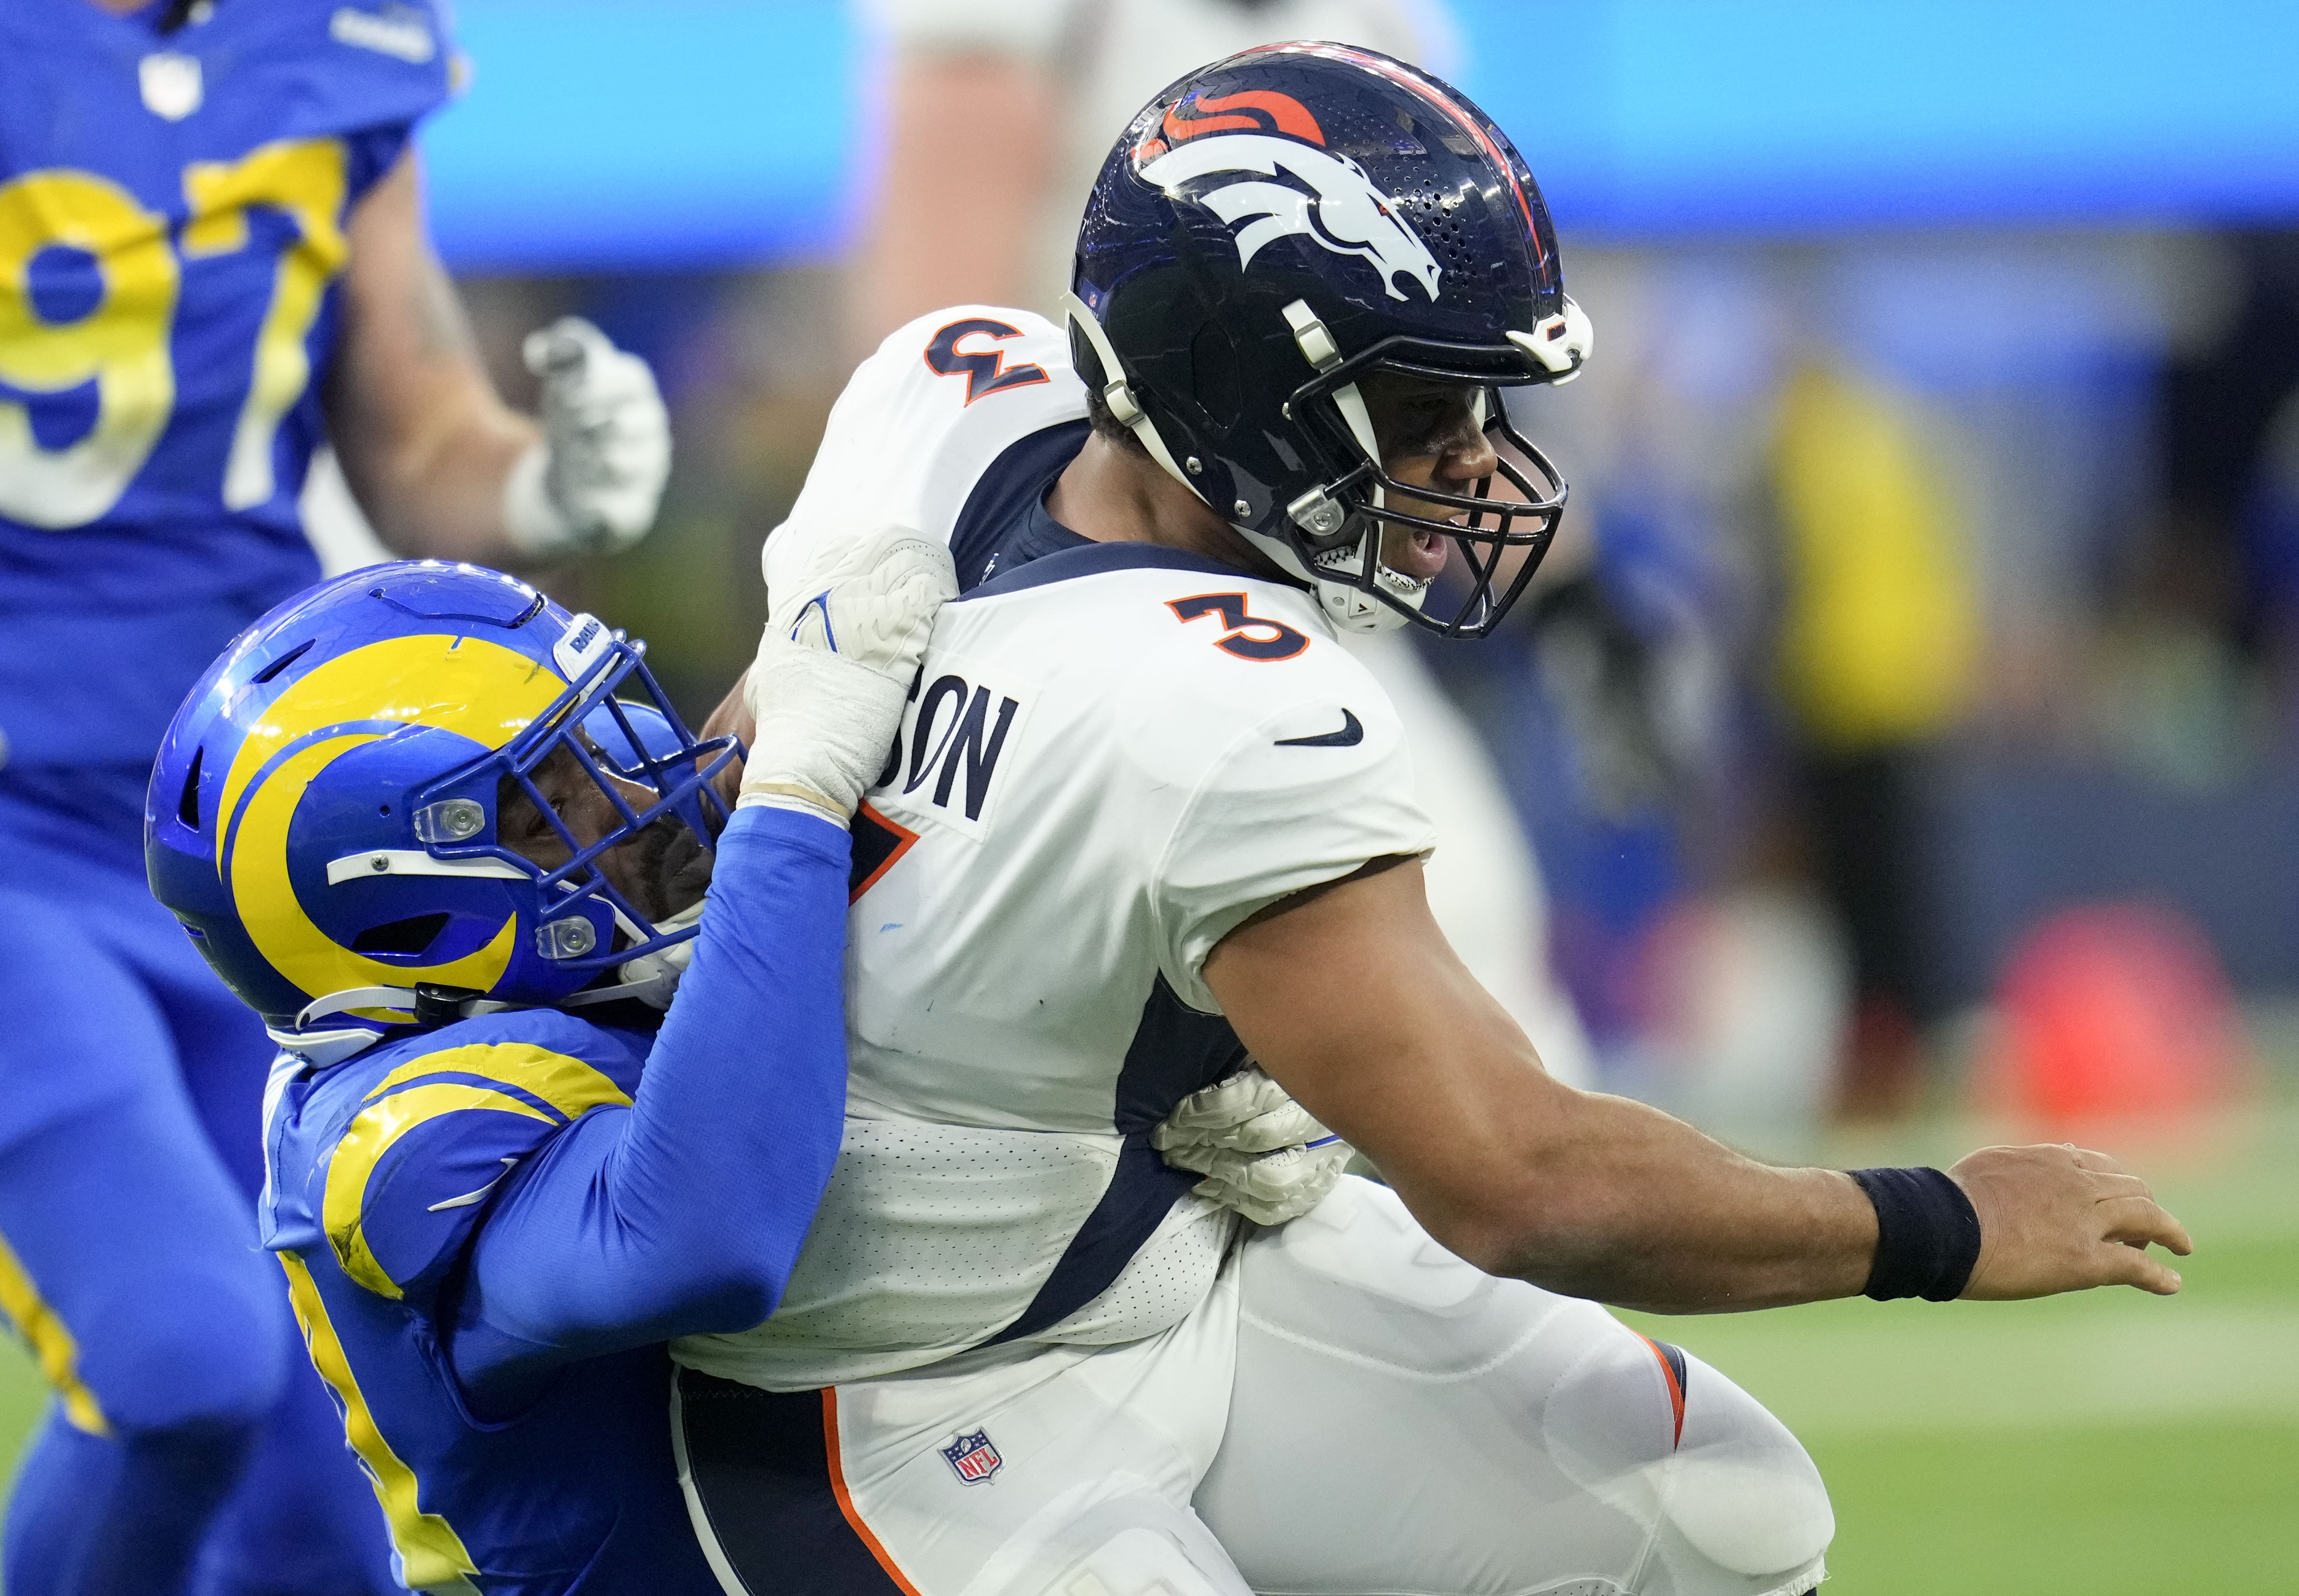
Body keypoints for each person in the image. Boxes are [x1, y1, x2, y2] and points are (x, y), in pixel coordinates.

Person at [667, 44, 2193, 1596]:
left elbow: (751, 790)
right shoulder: (1228, 705)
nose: (1465, 455)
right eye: (1408, 400)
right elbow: (1518, 1177)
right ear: (1229, 384)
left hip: (1143, 1249)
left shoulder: (947, 394)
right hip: (899, 1391)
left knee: (1713, 1511)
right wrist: (1934, 1221)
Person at [0, 1, 670, 1590]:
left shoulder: (324, 41)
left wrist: (536, 487)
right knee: (178, 1363)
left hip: (248, 831)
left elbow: (419, 430)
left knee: (325, 1487)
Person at [139, 525, 952, 1594]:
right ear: (407, 913)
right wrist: (794, 805)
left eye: (590, 741)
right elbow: (706, 1235)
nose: (626, 793)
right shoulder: (401, 1134)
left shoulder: (525, 993)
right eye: (549, 798)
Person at [847, 0, 1597, 1085]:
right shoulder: (1019, 27)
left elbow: (1437, 347)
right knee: (1468, 971)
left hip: (1308, 541)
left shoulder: (1374, 21)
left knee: (1474, 953)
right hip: (1110, 568)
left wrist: (1573, 587)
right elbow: (940, 342)